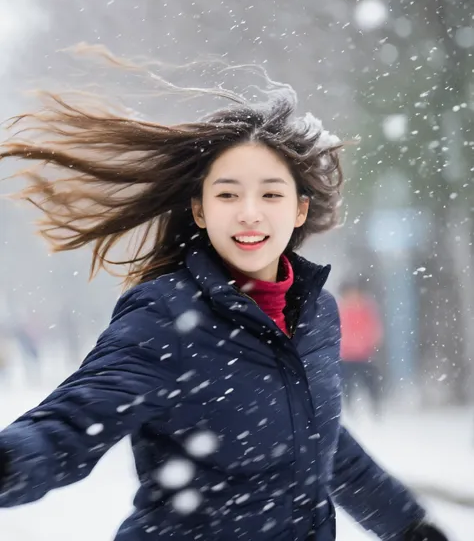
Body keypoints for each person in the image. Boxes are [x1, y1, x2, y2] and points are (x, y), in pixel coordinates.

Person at [0, 55, 449, 541]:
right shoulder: (167, 313)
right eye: (228, 195)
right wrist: (14, 458)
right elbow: (73, 421)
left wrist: (407, 526)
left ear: (300, 210)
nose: (249, 214)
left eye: (271, 195)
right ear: (199, 209)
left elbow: (321, 439)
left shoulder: (317, 313)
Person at [338, 278, 384, 414]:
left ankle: (376, 407)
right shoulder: (341, 309)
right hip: (346, 355)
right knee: (347, 385)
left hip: (364, 354)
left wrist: (371, 341)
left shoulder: (367, 308)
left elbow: (374, 327)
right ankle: (349, 409)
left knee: (371, 383)